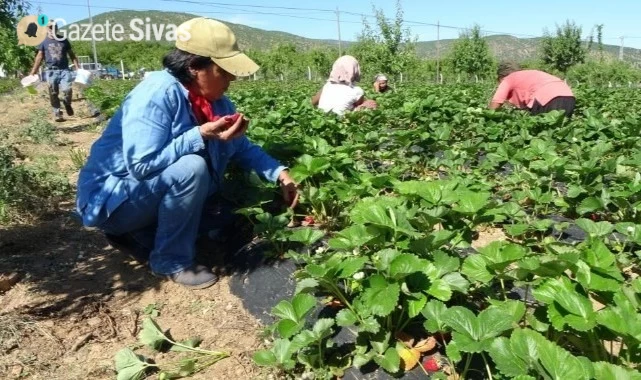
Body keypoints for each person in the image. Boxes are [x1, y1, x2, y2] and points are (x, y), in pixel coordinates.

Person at [75, 18, 299, 290]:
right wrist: (199, 135)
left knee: (227, 219)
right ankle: (169, 260)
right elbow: (141, 165)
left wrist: (280, 174)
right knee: (191, 168)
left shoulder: (214, 100)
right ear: (194, 67)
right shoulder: (156, 94)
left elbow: (240, 146)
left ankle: (143, 233)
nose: (232, 79)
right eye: (224, 71)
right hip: (114, 201)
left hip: (146, 194)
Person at [28, 22, 80, 122]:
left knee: (67, 89)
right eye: (49, 27)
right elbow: (39, 57)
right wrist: (33, 72)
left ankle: (67, 103)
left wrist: (78, 68)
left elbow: (72, 55)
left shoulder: (63, 40)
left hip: (64, 70)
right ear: (47, 29)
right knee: (53, 92)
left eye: (54, 27)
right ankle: (57, 113)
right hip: (51, 71)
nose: (52, 29)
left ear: (57, 28)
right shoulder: (44, 42)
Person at [489, 62, 575, 118]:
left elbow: (496, 102)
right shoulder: (529, 74)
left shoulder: (508, 78)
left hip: (548, 99)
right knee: (559, 134)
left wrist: (488, 119)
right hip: (569, 97)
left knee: (543, 135)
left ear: (501, 77)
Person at [311, 55, 377, 115]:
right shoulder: (357, 91)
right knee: (370, 104)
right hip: (341, 121)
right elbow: (360, 104)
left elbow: (313, 102)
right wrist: (364, 105)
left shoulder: (327, 85)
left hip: (322, 117)